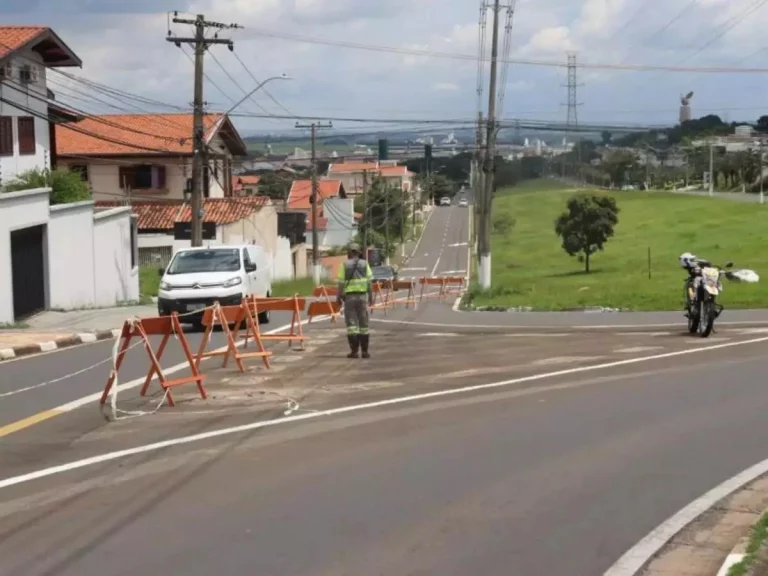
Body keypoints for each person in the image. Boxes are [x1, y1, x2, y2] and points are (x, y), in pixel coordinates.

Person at [337, 242, 374, 358]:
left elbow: (341, 283)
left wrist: (338, 297)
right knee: (364, 324)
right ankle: (365, 351)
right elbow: (369, 282)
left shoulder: (344, 265)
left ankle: (354, 351)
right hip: (362, 297)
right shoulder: (365, 264)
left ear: (349, 252)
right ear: (359, 252)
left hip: (350, 298)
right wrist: (371, 296)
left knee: (352, 325)